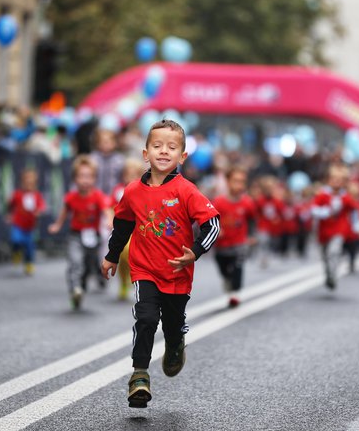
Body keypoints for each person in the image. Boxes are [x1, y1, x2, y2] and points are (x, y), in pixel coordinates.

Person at [100, 119, 220, 408]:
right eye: (157, 146)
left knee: (172, 324)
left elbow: (213, 224)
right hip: (145, 270)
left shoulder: (186, 190)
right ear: (145, 154)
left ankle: (176, 342)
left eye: (172, 147)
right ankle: (139, 375)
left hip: (177, 273)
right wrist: (112, 256)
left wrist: (195, 251)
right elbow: (122, 226)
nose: (164, 151)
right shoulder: (132, 191)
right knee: (146, 319)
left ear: (183, 156)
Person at [49, 155, 110, 310]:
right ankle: (75, 288)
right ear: (75, 179)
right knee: (75, 262)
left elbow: (106, 210)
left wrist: (109, 220)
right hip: (75, 235)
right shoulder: (71, 197)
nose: (85, 180)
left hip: (93, 236)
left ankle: (84, 285)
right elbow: (64, 212)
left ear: (95, 179)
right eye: (81, 176)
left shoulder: (97, 196)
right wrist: (57, 225)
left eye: (89, 176)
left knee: (90, 264)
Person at [212, 166, 257, 308]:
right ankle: (227, 279)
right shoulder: (218, 202)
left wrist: (251, 236)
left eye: (242, 181)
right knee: (223, 267)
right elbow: (210, 220)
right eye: (235, 181)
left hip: (240, 242)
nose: (238, 185)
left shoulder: (247, 203)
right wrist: (216, 231)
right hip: (222, 245)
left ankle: (235, 293)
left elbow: (252, 221)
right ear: (227, 181)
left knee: (238, 265)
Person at [312, 164, 357, 290]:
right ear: (328, 180)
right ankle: (329, 275)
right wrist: (324, 212)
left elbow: (354, 210)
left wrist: (355, 226)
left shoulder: (345, 197)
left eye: (339, 180)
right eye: (333, 179)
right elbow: (314, 210)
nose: (336, 182)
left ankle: (333, 275)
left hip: (339, 230)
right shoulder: (322, 195)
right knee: (325, 255)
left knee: (334, 251)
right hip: (324, 231)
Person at [108, 158, 146, 301]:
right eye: (127, 174)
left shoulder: (142, 190)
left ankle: (132, 277)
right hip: (121, 228)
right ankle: (123, 281)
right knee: (121, 257)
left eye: (134, 175)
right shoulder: (118, 190)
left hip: (136, 229)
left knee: (128, 252)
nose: (130, 178)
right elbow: (111, 206)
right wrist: (110, 219)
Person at [7, 169, 46, 275]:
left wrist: (39, 211)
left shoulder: (37, 195)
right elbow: (10, 205)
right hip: (18, 224)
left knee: (29, 246)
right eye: (26, 182)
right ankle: (17, 252)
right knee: (16, 240)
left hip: (30, 227)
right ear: (22, 182)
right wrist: (9, 215)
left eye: (31, 182)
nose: (28, 184)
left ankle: (29, 263)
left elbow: (42, 206)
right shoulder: (17, 194)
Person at [91, 126, 125, 195]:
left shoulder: (120, 160)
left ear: (115, 143)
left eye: (109, 141)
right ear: (97, 143)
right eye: (103, 141)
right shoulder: (92, 159)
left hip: (114, 195)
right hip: (96, 195)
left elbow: (122, 178)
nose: (106, 144)